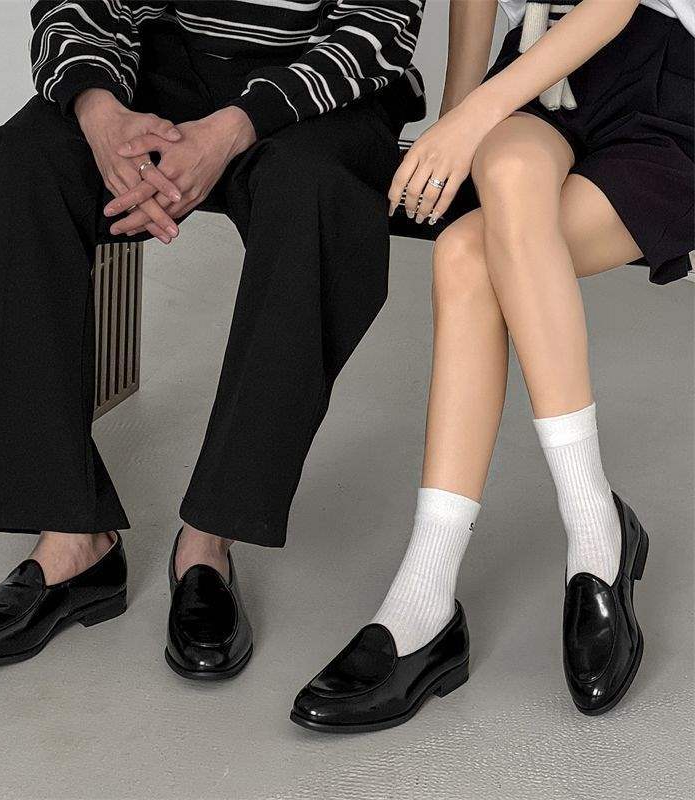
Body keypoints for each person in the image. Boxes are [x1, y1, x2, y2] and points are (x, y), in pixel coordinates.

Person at [0, 0, 427, 675]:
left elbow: (378, 28)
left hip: (318, 88)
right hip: (158, 69)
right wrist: (100, 113)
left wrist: (232, 129)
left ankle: (208, 542)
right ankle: (72, 542)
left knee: (314, 193)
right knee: (31, 155)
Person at [291, 0, 693, 732]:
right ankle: (561, 542)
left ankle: (464, 584)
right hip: (534, 77)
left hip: (665, 79)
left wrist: (470, 118)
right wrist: (452, 124)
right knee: (497, 183)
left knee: (468, 256)